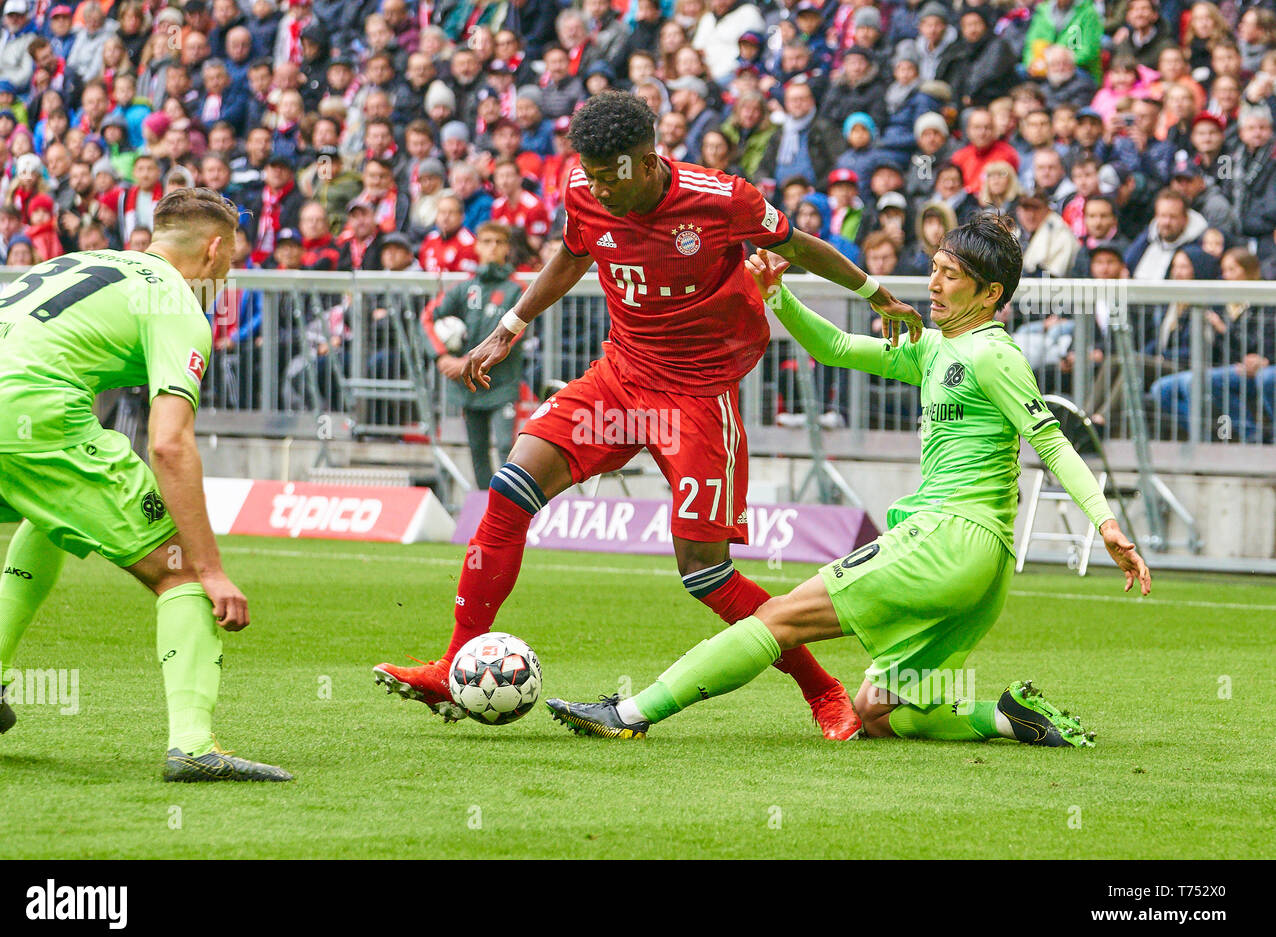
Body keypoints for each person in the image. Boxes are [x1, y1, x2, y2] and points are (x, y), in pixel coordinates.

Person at [374, 91, 924, 739]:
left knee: (707, 573)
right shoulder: (583, 187)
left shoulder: (721, 199)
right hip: (619, 376)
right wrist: (510, 324)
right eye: (592, 175)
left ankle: (824, 690)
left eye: (612, 176)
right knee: (509, 490)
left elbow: (799, 246)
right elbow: (574, 252)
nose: (600, 188)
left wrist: (874, 293)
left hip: (698, 394)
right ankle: (452, 661)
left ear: (646, 158)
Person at [547, 215, 1151, 744]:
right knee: (879, 712)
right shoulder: (933, 349)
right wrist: (777, 296)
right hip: (982, 568)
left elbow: (1050, 440)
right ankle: (1004, 717)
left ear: (991, 293)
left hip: (945, 542)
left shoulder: (995, 354)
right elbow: (835, 346)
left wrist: (1106, 523)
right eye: (934, 269)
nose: (934, 284)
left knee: (776, 618)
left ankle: (628, 711)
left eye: (951, 275)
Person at [0, 188, 291, 782]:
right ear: (215, 249)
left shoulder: (76, 262)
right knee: (181, 572)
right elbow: (169, 445)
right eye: (232, 262)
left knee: (56, 512)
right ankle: (194, 747)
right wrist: (212, 566)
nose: (229, 275)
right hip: (31, 418)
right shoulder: (177, 301)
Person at [423, 222, 528, 489]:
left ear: (507, 248)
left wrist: (464, 363)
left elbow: (514, 336)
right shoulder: (462, 288)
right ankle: (485, 506)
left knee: (507, 446)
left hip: (502, 384)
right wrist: (442, 358)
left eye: (499, 242)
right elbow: (427, 319)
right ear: (477, 246)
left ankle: (513, 506)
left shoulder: (517, 290)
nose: (493, 247)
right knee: (477, 451)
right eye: (487, 241)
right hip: (469, 385)